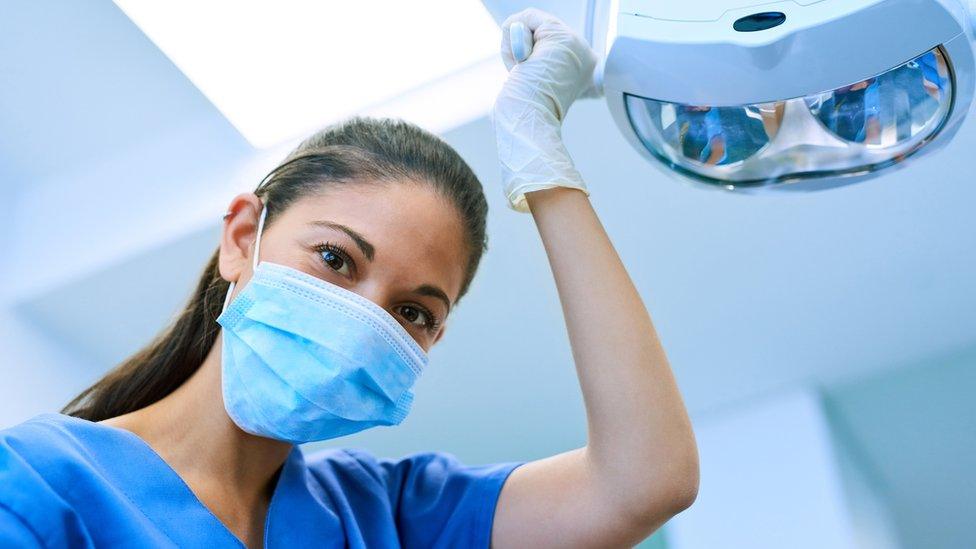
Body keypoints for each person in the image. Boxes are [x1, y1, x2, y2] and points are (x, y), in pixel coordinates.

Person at [0, 9, 698, 548]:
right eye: (335, 259)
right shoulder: (38, 481)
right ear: (243, 239)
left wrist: (541, 160)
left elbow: (646, 479)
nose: (365, 319)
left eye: (413, 311)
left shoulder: (389, 515)